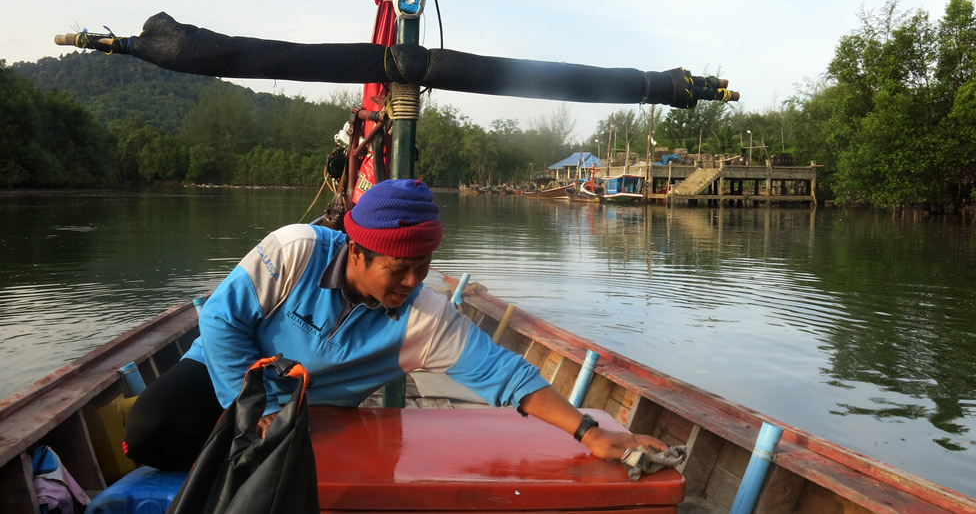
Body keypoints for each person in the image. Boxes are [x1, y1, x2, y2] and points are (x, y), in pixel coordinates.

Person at [125, 179, 664, 471]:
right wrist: (253, 415)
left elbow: (506, 374)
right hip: (228, 379)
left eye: (422, 269)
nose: (411, 283)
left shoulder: (423, 317)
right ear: (356, 251)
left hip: (312, 415)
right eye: (397, 269)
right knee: (150, 431)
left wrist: (590, 433)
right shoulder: (297, 249)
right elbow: (221, 319)